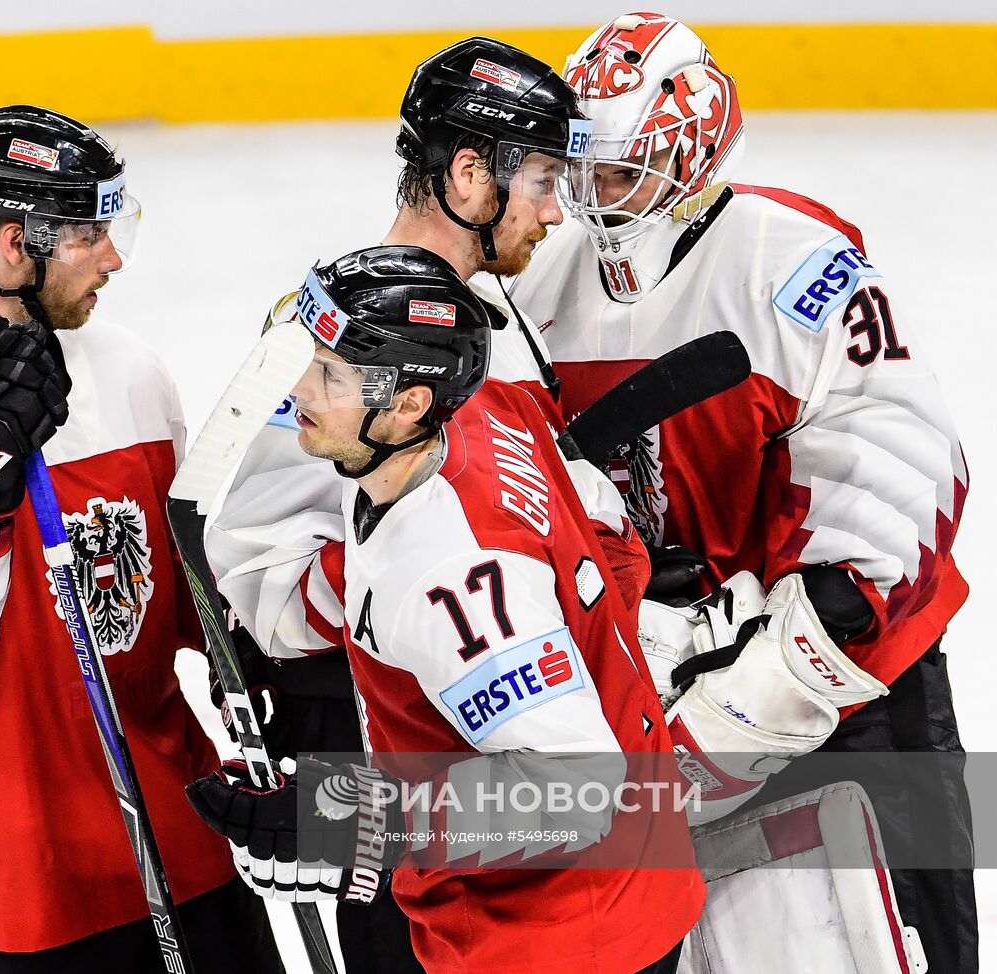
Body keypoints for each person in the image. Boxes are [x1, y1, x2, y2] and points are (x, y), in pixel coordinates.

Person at [511, 12, 973, 971]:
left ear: (688, 146)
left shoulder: (793, 259)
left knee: (899, 937)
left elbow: (896, 457)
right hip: (670, 672)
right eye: (579, 171)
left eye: (618, 168)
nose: (594, 199)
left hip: (851, 684)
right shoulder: (548, 285)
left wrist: (798, 639)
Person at [204, 39, 633, 973]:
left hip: (514, 771)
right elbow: (261, 585)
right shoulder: (329, 334)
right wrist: (415, 569)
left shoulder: (487, 317)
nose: (558, 214)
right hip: (392, 770)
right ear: (471, 176)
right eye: (545, 181)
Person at [0, 105, 284, 973]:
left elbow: (184, 584)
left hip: (178, 835)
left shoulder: (131, 368)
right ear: (15, 243)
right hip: (11, 877)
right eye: (90, 234)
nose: (114, 257)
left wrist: (261, 651)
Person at [188, 245, 705, 974]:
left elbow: (578, 792)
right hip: (624, 891)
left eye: (330, 374)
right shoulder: (492, 408)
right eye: (310, 354)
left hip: (554, 940)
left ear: (409, 404)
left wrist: (344, 817)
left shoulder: (451, 581)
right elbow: (611, 546)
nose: (299, 387)